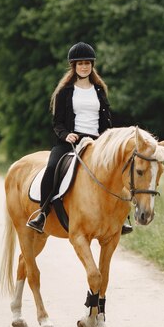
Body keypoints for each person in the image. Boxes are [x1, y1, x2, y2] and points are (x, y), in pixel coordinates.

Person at [26, 42, 133, 235]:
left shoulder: (99, 90)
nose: (84, 66)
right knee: (51, 168)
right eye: (80, 63)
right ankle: (42, 213)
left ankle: (122, 217)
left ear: (92, 65)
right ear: (73, 66)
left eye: (87, 63)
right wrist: (66, 135)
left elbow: (106, 121)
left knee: (118, 170)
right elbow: (57, 123)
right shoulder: (64, 92)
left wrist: (106, 139)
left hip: (97, 142)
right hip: (70, 142)